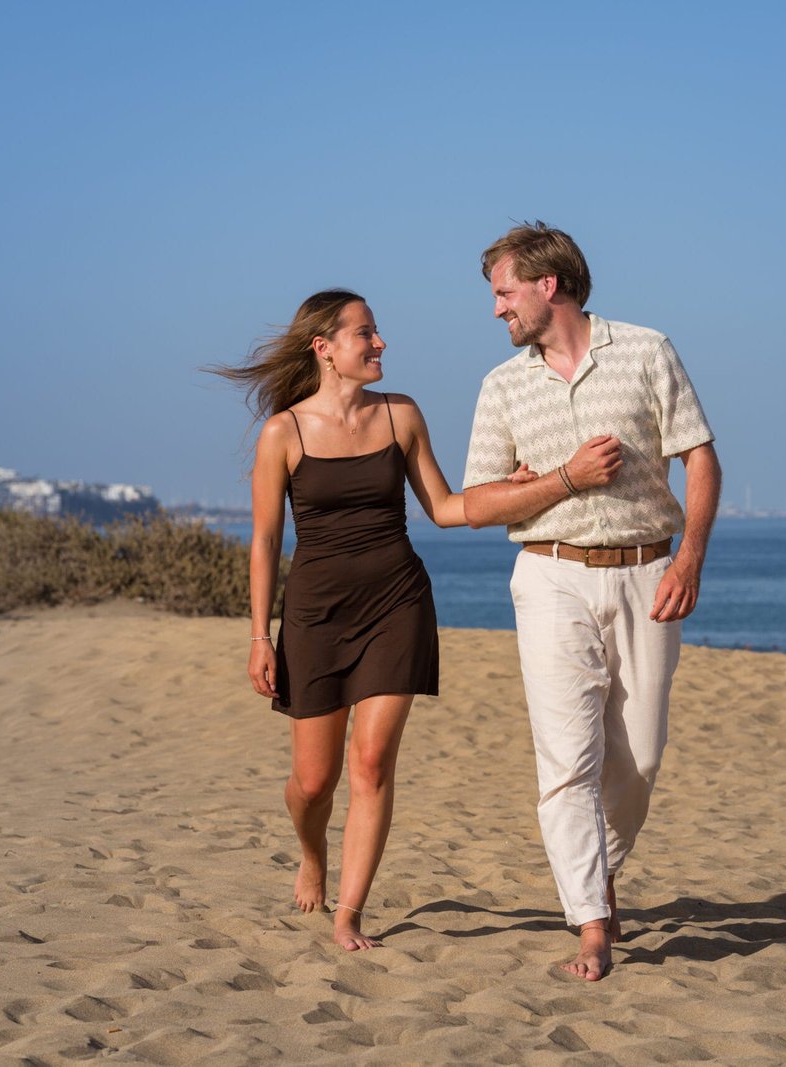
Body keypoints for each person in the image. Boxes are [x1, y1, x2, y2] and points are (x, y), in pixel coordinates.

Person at [217, 289, 549, 951]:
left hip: (397, 604)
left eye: (377, 332)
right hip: (313, 616)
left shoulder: (401, 416)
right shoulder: (284, 431)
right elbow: (263, 541)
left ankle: (349, 912)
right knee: (314, 783)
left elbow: (446, 505)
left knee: (370, 764)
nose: (380, 344)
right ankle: (312, 853)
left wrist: (512, 488)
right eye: (366, 333)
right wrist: (260, 635)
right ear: (326, 348)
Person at [462, 223, 722, 981]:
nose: (496, 311)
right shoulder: (501, 385)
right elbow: (479, 502)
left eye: (504, 292)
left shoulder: (646, 350)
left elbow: (699, 456)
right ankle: (591, 921)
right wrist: (566, 478)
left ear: (550, 286)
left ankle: (596, 870)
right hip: (549, 576)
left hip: (647, 572)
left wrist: (691, 558)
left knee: (637, 756)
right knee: (566, 760)